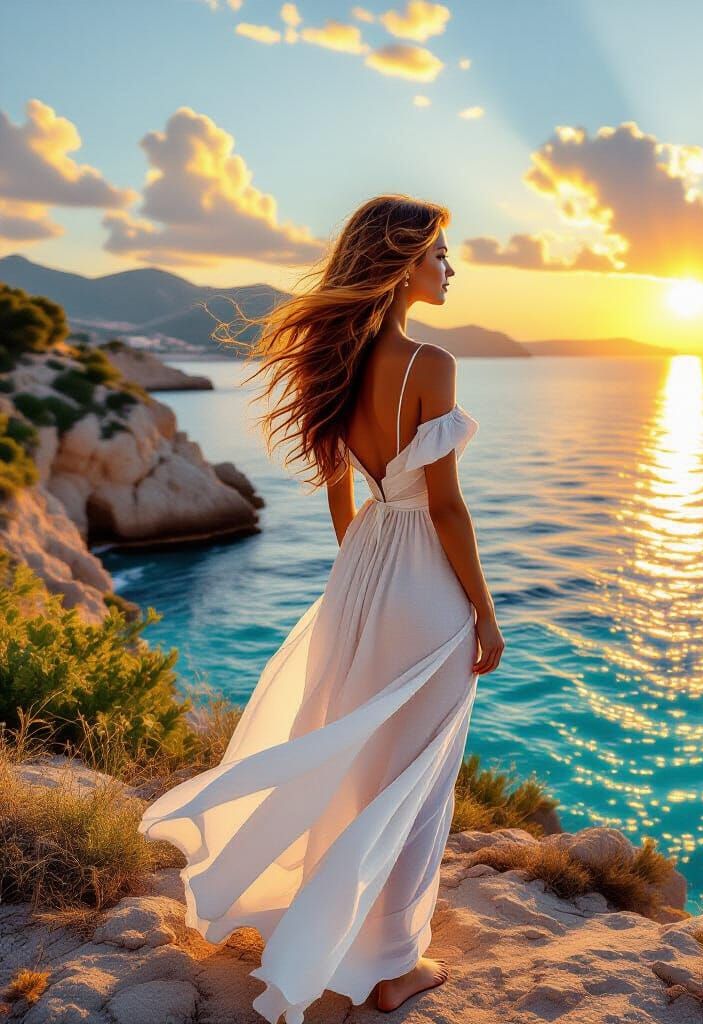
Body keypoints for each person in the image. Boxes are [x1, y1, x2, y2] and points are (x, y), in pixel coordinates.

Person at [138, 194, 504, 1022]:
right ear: (403, 261)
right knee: (417, 776)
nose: (451, 269)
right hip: (422, 579)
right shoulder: (430, 364)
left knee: (359, 762)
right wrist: (483, 610)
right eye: (441, 254)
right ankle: (391, 968)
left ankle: (346, 933)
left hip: (364, 570)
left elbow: (341, 492)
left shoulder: (330, 362)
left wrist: (359, 573)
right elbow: (445, 508)